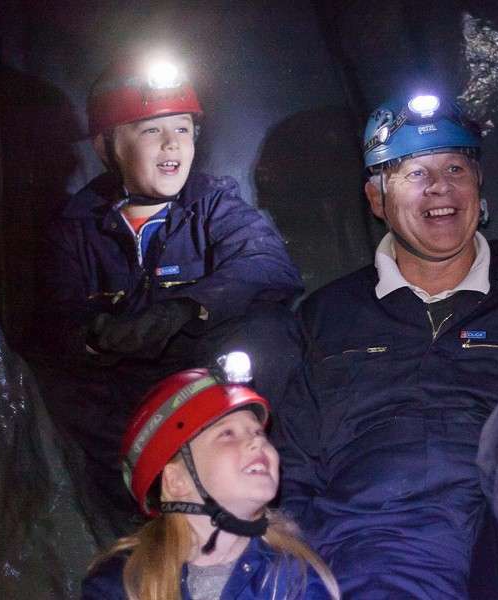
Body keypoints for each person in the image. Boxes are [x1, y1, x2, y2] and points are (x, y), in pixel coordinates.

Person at [271, 93, 498, 600]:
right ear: (377, 199)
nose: (441, 187)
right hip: (368, 546)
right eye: (415, 173)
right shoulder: (327, 317)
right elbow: (290, 470)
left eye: (455, 168)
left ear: (479, 184)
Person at [30, 53, 305, 538]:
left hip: (205, 386)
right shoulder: (74, 227)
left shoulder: (213, 203)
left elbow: (267, 265)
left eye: (181, 129)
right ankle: (140, 522)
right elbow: (54, 316)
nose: (171, 143)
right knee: (47, 380)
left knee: (272, 333)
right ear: (106, 145)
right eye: (150, 130)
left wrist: (184, 309)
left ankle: (241, 497)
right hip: (123, 398)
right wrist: (97, 337)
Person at [83, 357, 339, 599]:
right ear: (176, 481)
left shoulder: (295, 577)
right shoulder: (123, 582)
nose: (257, 441)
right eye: (227, 434)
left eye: (259, 432)